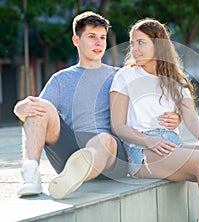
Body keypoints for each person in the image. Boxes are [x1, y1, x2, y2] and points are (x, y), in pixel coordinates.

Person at [13, 11, 180, 200]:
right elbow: (37, 116)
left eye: (102, 38)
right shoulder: (61, 79)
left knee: (104, 139)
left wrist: (176, 117)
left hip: (112, 156)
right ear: (76, 40)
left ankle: (78, 175)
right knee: (39, 105)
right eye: (92, 37)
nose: (99, 43)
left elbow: (151, 103)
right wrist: (20, 108)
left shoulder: (121, 76)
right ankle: (30, 173)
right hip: (70, 156)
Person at [110, 18, 199, 222]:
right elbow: (117, 125)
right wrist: (148, 141)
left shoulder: (176, 79)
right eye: (132, 43)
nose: (134, 48)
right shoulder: (124, 76)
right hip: (141, 151)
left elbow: (190, 116)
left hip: (172, 146)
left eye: (141, 43)